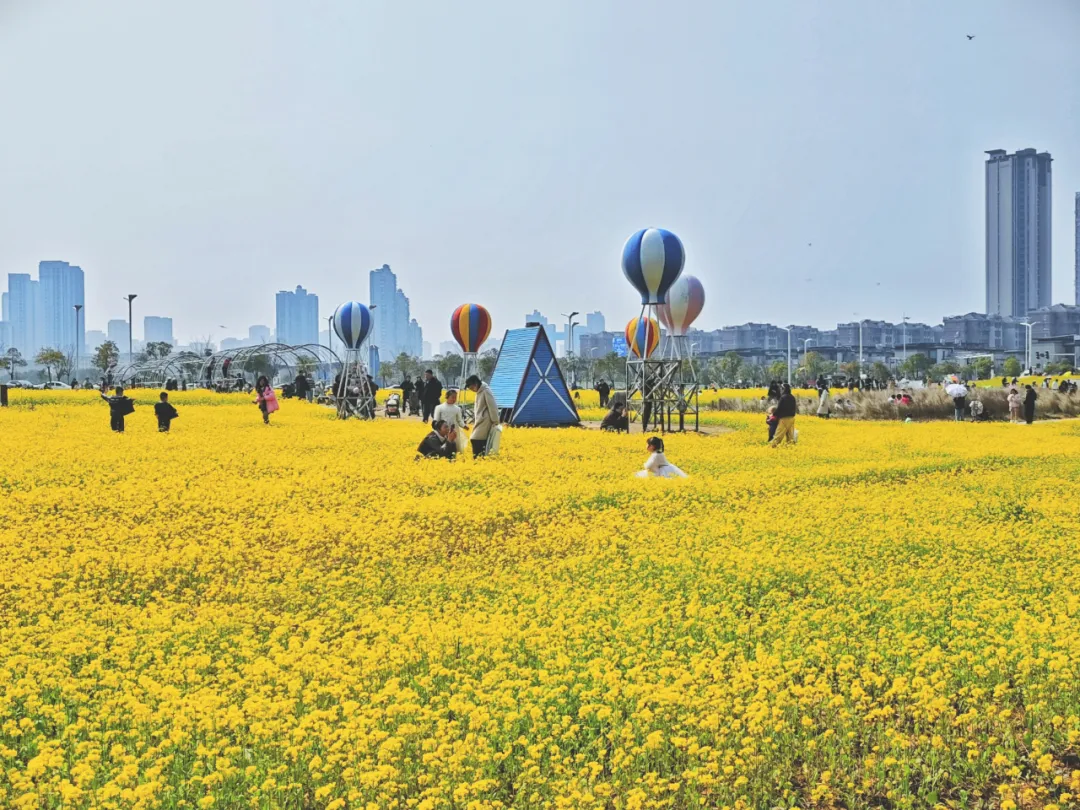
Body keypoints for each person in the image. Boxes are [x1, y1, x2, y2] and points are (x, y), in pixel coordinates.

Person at [466, 374, 499, 458]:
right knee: (477, 441)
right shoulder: (479, 391)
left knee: (475, 439)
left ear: (476, 384)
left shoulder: (486, 391)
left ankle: (479, 459)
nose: (472, 390)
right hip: (480, 421)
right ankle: (480, 460)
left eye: (472, 388)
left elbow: (493, 407)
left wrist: (495, 421)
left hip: (485, 421)